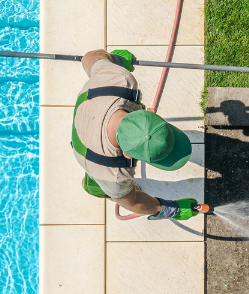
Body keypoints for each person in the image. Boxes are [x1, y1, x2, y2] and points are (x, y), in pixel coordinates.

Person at [70, 49, 204, 220]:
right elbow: (132, 202)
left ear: (148, 114)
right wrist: (170, 209)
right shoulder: (114, 175)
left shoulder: (119, 80)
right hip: (84, 151)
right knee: (109, 187)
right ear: (127, 154)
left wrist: (115, 60)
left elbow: (89, 58)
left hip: (88, 112)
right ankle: (95, 186)